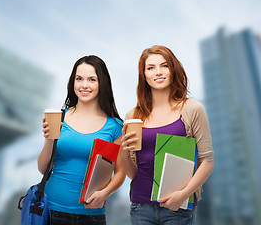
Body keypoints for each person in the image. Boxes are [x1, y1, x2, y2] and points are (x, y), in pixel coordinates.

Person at [121, 45, 214, 225]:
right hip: (140, 207)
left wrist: (183, 195)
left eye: (164, 66)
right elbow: (133, 174)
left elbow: (207, 161)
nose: (158, 72)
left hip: (178, 206)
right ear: (144, 75)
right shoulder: (132, 116)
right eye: (151, 68)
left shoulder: (192, 109)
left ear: (173, 70)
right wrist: (124, 152)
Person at [38, 55, 125, 225]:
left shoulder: (115, 126)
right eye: (79, 79)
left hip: (92, 215)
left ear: (102, 83)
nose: (84, 85)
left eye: (92, 79)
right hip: (51, 209)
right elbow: (43, 168)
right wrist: (49, 139)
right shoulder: (59, 117)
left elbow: (120, 172)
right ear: (73, 82)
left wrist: (105, 193)